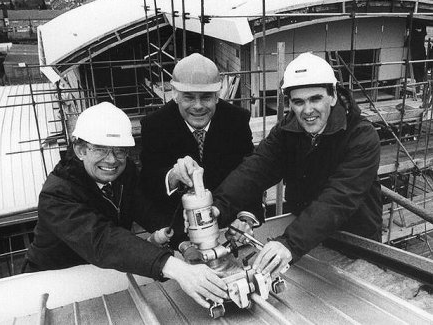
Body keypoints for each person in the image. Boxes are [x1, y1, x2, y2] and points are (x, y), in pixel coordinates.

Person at [25, 102, 227, 308]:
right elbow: (102, 240)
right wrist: (174, 267)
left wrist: (183, 244)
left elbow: (145, 209)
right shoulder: (57, 194)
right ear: (80, 150)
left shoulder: (124, 171)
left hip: (104, 277)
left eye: (120, 150)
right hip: (54, 285)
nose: (112, 160)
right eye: (101, 149)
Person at [214, 52, 382, 276]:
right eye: (298, 102)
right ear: (290, 103)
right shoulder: (288, 130)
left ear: (332, 97)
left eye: (315, 99)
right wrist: (218, 206)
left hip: (354, 244)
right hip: (307, 236)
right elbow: (256, 169)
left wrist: (289, 244)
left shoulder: (361, 136)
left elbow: (339, 198)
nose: (307, 110)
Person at [140, 53, 260, 237]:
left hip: (230, 227)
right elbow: (148, 181)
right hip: (180, 230)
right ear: (175, 94)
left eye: (206, 98)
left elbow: (250, 173)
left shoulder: (236, 120)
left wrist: (246, 217)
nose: (198, 106)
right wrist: (173, 176)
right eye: (188, 97)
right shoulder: (155, 125)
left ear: (218, 95)